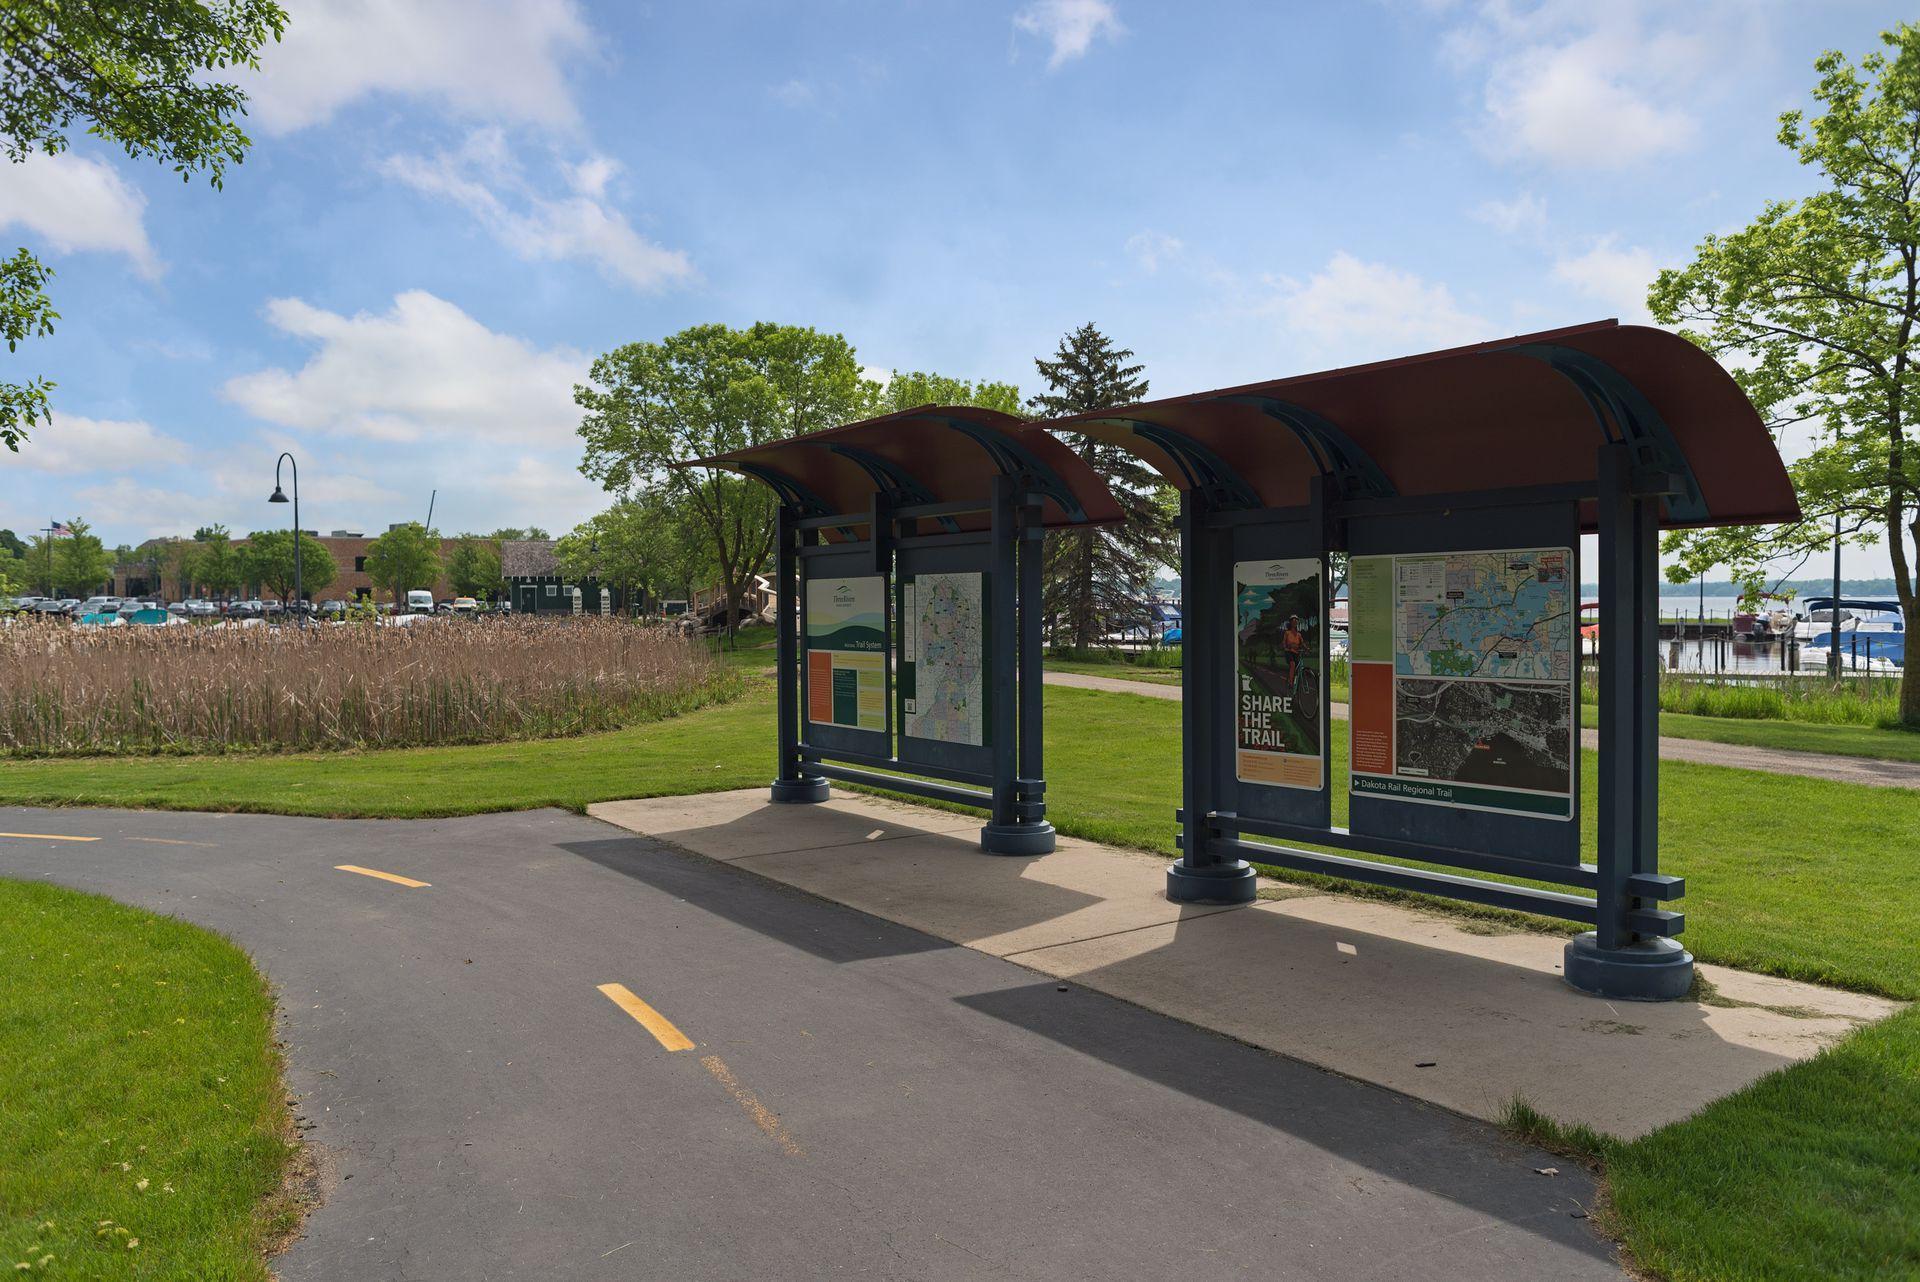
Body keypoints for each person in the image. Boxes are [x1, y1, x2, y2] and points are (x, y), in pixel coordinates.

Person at [1280, 613, 1305, 691]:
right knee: (1292, 664)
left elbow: (1302, 643)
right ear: (1290, 623)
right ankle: (1290, 683)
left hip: (1296, 653)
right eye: (1293, 620)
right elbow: (1284, 642)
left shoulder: (1299, 635)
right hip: (1289, 652)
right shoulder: (1287, 633)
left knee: (1298, 667)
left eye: (1296, 621)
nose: (1295, 622)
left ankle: (1296, 681)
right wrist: (1285, 648)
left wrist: (1307, 649)